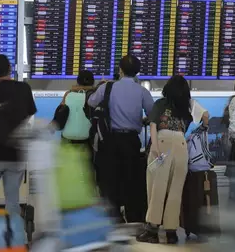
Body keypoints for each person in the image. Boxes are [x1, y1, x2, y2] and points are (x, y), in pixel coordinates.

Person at [87, 54, 154, 222]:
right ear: (137, 72)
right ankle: (133, 218)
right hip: (132, 141)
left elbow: (91, 103)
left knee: (111, 181)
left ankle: (114, 218)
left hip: (110, 141)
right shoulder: (142, 92)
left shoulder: (107, 88)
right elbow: (152, 113)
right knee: (131, 180)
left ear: (120, 70)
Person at [137, 75, 192, 244]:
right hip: (182, 147)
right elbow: (185, 128)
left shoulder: (161, 104)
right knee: (176, 190)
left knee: (157, 187)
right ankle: (171, 231)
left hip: (163, 144)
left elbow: (153, 124)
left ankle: (152, 230)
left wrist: (154, 146)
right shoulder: (186, 109)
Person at [0, 54, 37, 216]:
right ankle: (13, 236)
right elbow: (30, 113)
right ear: (10, 69)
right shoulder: (23, 88)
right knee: (13, 200)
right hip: (15, 152)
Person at [54, 70, 96, 145]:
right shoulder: (94, 97)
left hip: (67, 139)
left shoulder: (68, 95)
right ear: (92, 82)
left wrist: (71, 90)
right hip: (86, 139)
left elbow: (59, 113)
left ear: (77, 82)